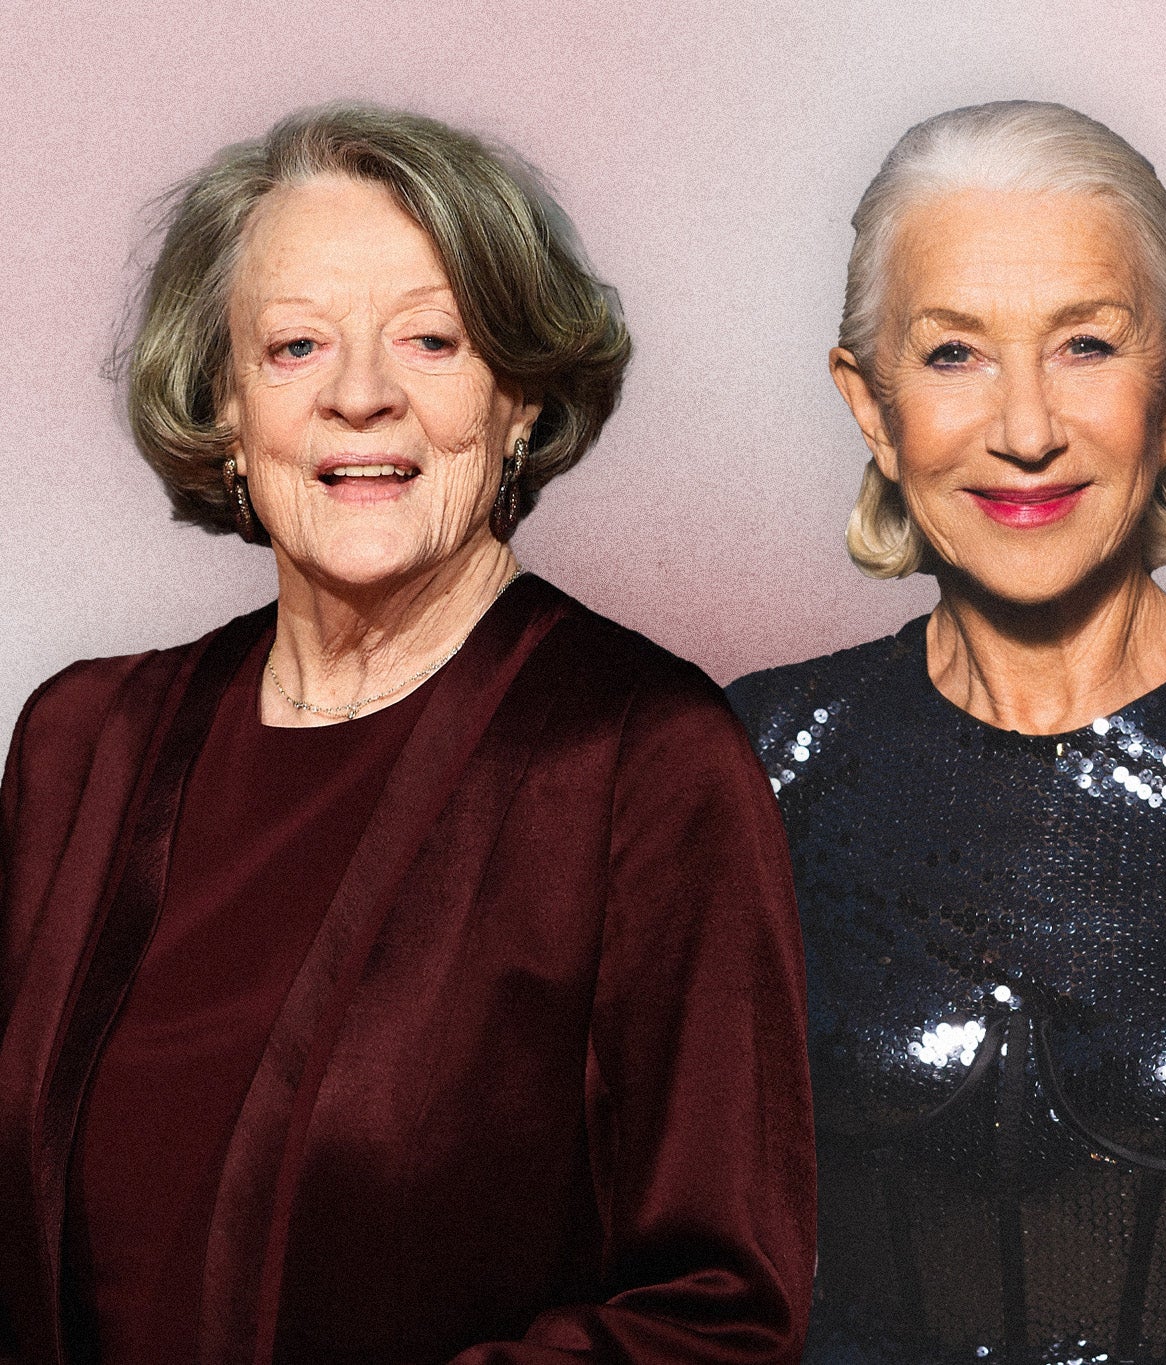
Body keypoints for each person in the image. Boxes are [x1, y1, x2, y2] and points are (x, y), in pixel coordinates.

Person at [0, 104, 814, 1365]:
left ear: (523, 403)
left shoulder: (644, 764)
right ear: (221, 404)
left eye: (431, 341)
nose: (361, 397)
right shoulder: (77, 750)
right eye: (294, 347)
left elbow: (720, 1313)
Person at [726, 101, 1166, 1364]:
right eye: (952, 354)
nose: (1024, 429)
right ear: (869, 404)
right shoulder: (757, 760)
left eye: (1084, 344)